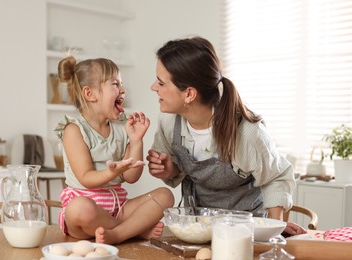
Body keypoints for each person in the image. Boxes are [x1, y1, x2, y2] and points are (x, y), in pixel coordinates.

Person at [146, 36, 306, 236]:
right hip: (199, 226)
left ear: (189, 94)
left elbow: (276, 177)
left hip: (246, 230)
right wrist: (170, 169)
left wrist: (274, 230)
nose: (153, 87)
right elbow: (178, 169)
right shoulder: (168, 123)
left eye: (161, 83)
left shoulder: (246, 133)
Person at [54, 56, 174, 245]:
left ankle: (118, 232)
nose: (123, 90)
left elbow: (132, 176)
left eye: (122, 84)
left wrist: (136, 141)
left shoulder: (122, 126)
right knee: (80, 208)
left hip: (119, 207)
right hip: (87, 217)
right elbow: (86, 178)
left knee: (165, 196)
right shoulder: (74, 130)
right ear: (89, 94)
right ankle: (131, 231)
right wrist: (113, 172)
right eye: (115, 84)